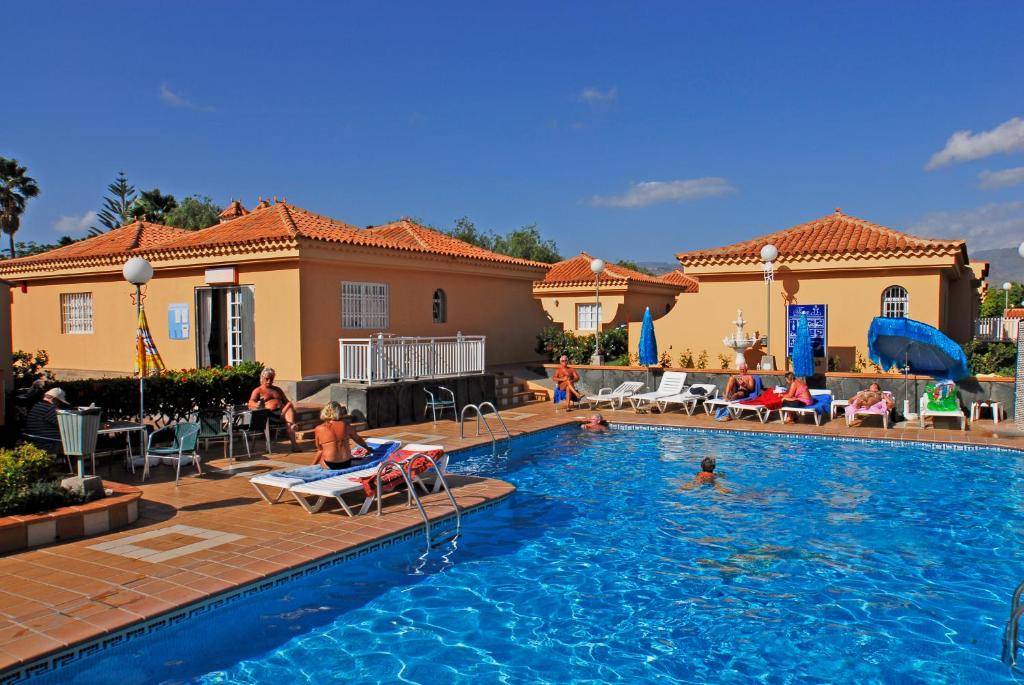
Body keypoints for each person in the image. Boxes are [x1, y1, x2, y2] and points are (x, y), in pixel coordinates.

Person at [248, 367, 300, 451]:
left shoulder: (277, 389)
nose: (269, 381)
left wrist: (285, 408)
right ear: (262, 378)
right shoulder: (258, 390)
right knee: (289, 418)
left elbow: (286, 401)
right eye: (267, 379)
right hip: (269, 415)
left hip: (282, 413)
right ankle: (292, 425)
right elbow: (250, 402)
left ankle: (294, 443)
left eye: (271, 379)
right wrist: (257, 405)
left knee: (289, 405)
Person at [312, 401, 371, 470]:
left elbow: (320, 449)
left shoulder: (319, 428)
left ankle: (313, 466)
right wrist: (368, 448)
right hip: (346, 462)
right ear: (339, 412)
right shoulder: (346, 425)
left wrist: (312, 465)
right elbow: (358, 439)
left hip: (330, 464)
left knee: (322, 457)